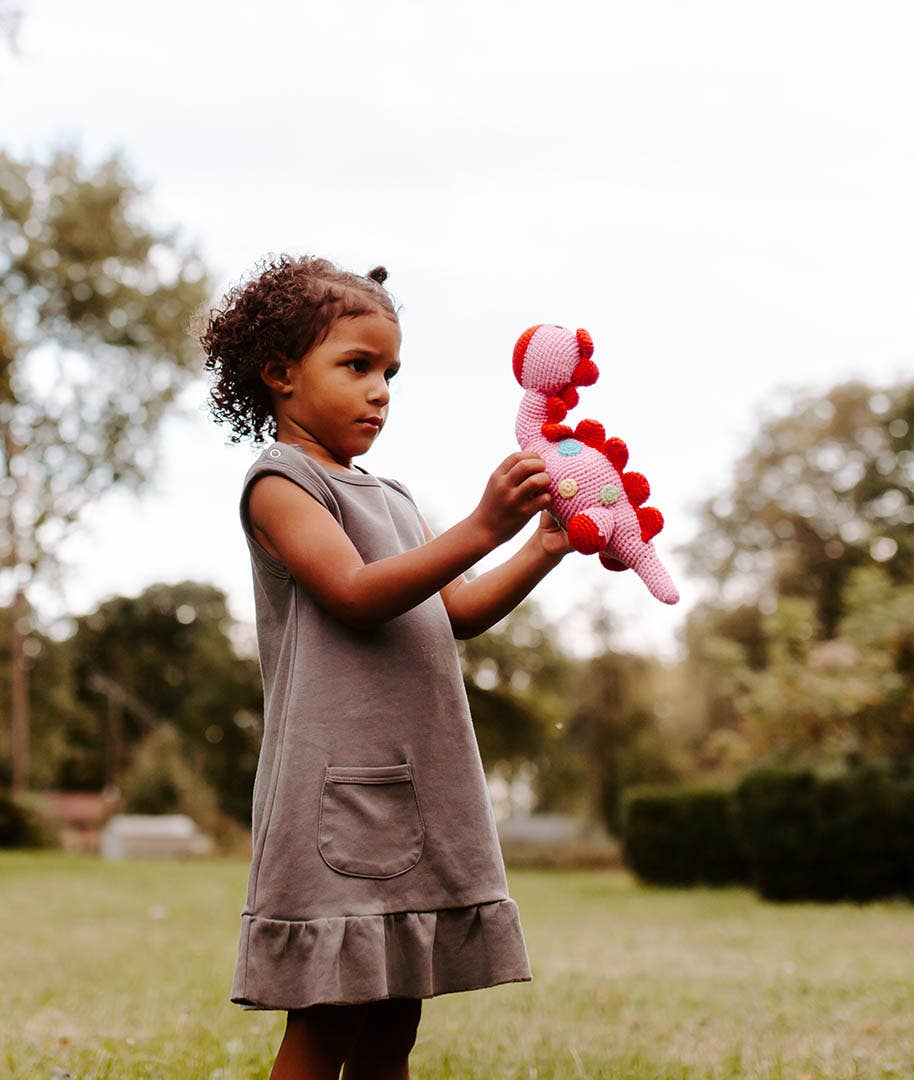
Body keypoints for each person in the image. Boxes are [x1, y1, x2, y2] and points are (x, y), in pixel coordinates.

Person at [197, 253, 570, 1079]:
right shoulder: (281, 484)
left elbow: (457, 611)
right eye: (356, 365)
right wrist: (481, 525)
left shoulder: (392, 496)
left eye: (391, 372)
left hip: (413, 784)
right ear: (281, 374)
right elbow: (358, 593)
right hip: (339, 799)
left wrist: (542, 545)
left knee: (395, 1020)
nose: (381, 391)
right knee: (330, 1019)